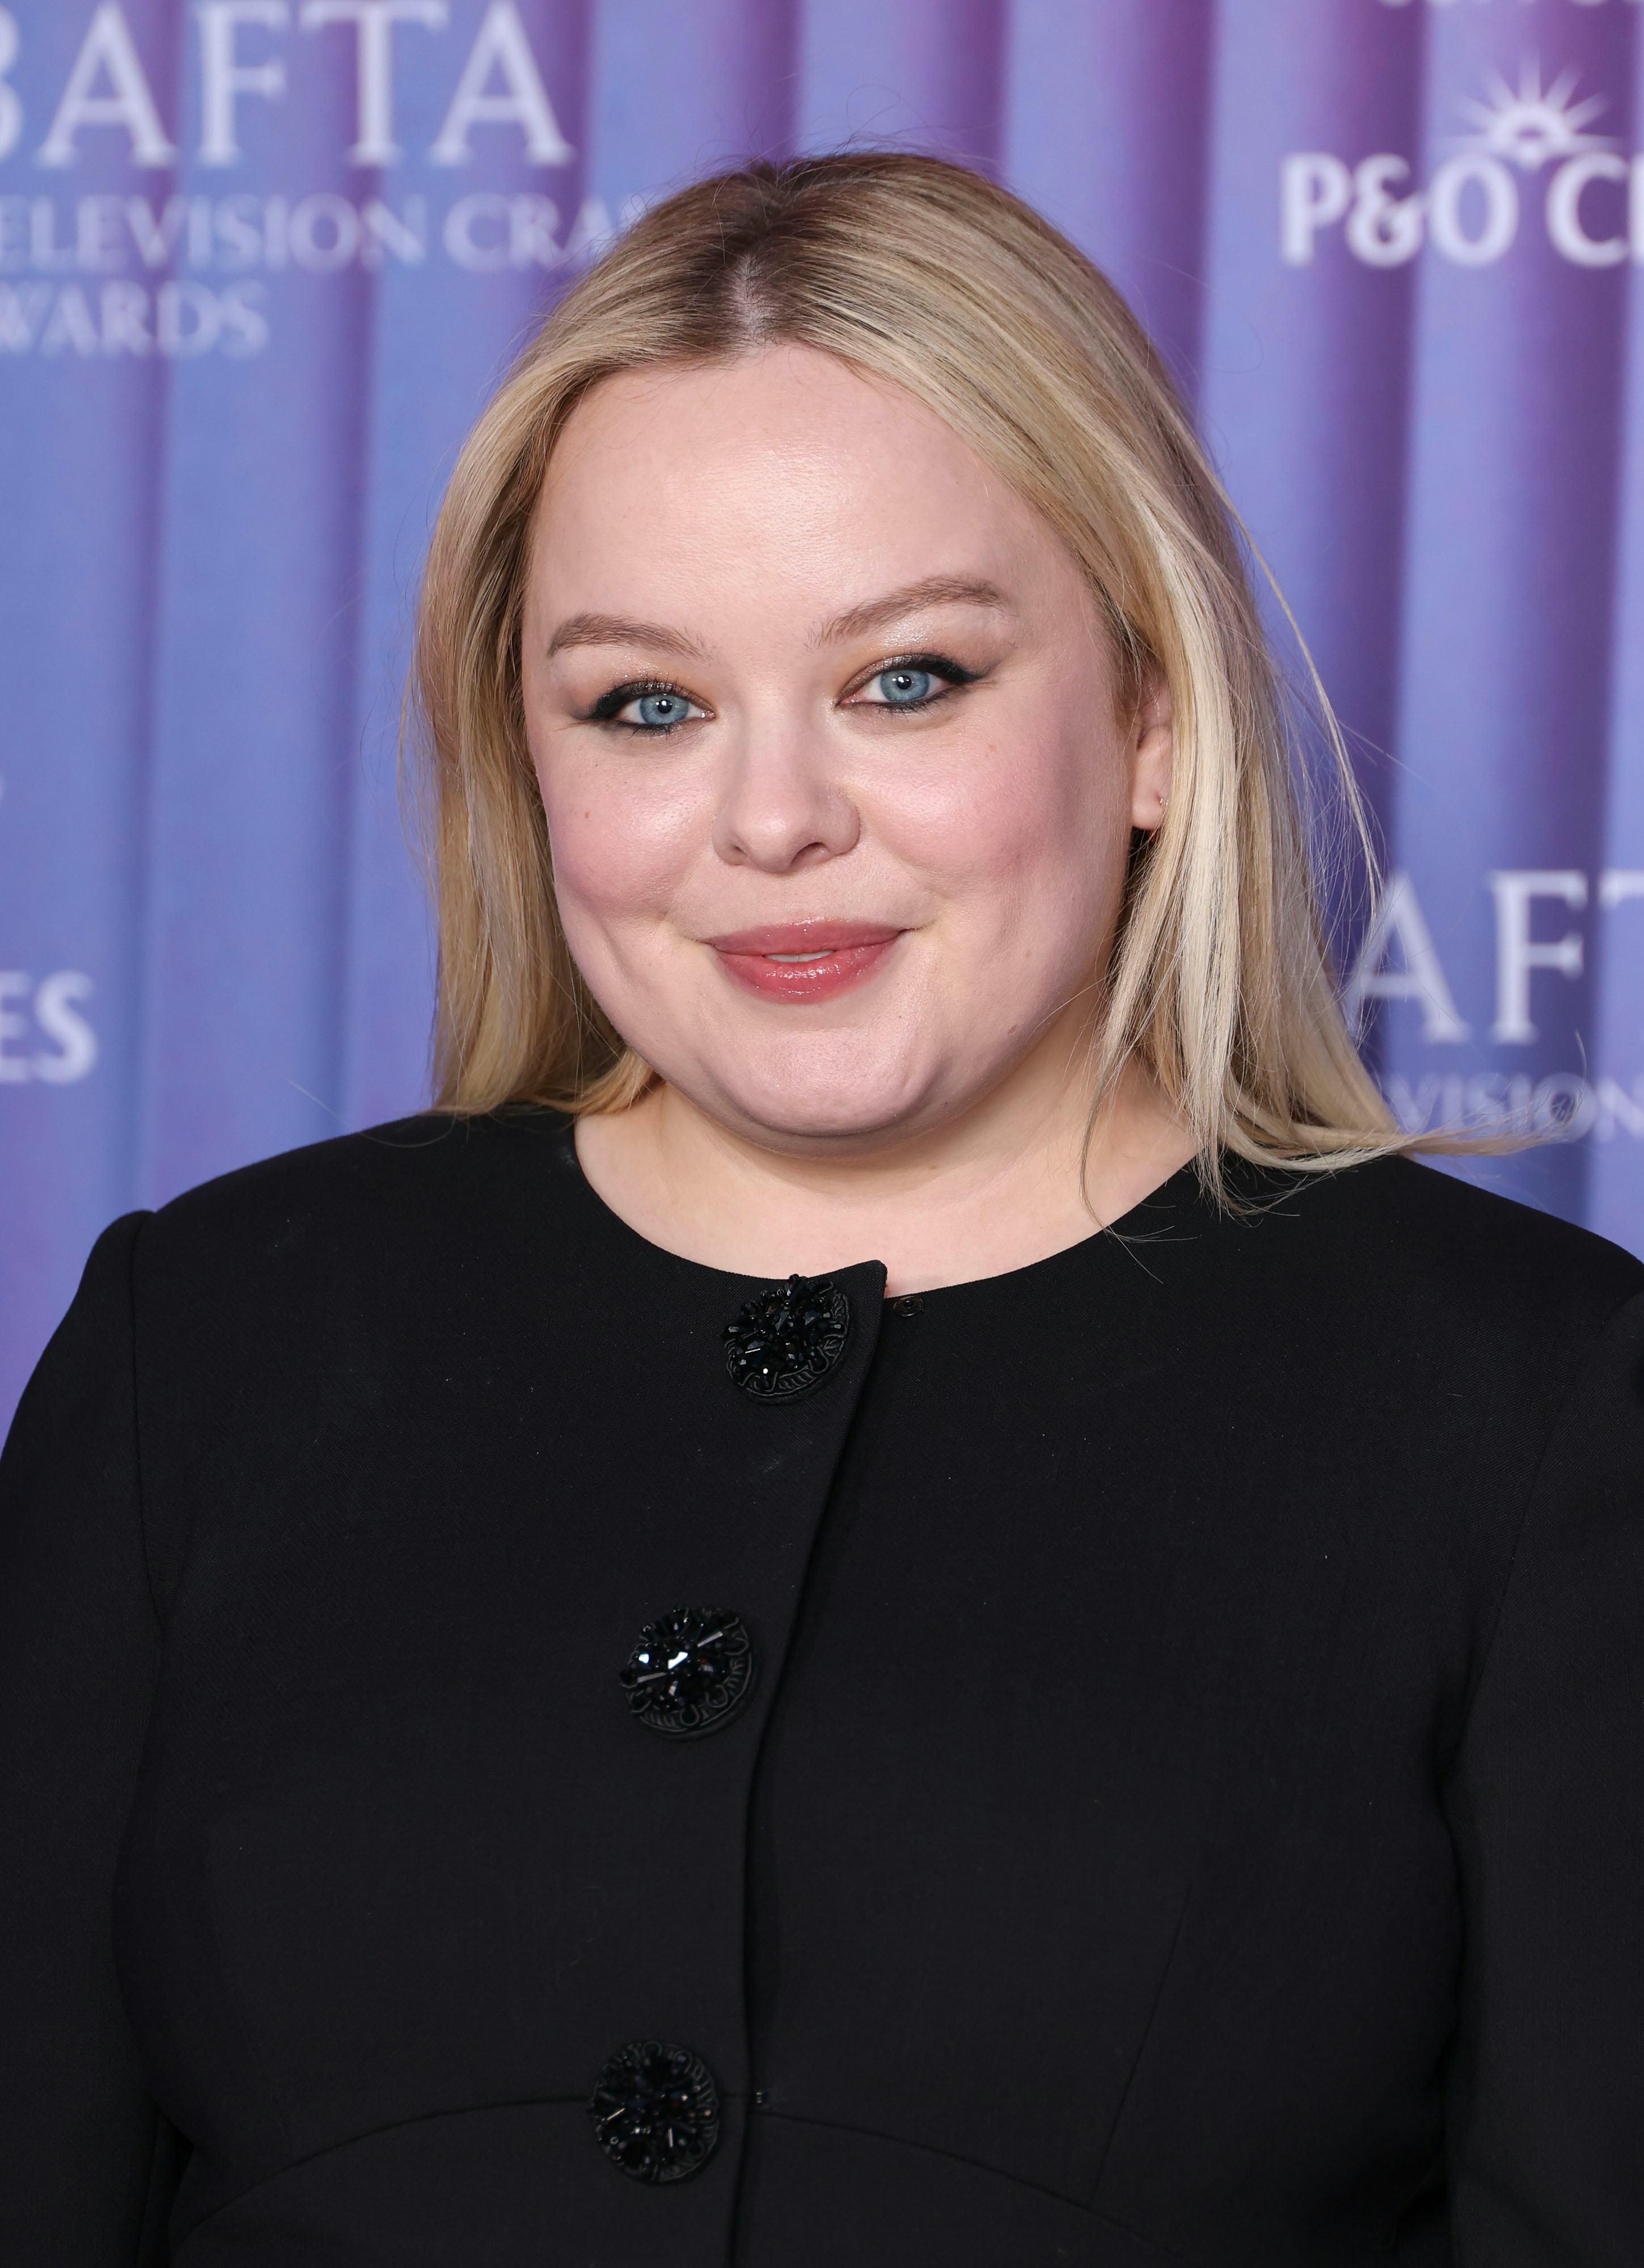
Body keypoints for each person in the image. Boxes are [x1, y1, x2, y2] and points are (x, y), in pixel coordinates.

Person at [1, 151, 1639, 2268]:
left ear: (1148, 714)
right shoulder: (202, 1345)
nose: (773, 819)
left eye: (907, 679)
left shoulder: (1525, 1410)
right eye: (648, 707)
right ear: (529, 758)